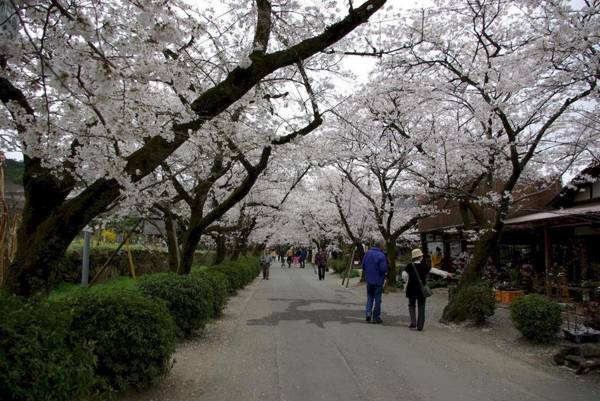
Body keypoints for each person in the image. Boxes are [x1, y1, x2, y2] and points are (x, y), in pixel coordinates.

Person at [402, 248, 452, 331]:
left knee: (411, 305)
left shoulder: (409, 266)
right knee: (421, 305)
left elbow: (404, 275)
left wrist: (407, 280)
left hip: (411, 289)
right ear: (420, 257)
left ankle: (413, 322)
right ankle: (420, 325)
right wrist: (446, 273)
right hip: (421, 289)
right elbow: (435, 270)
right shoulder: (424, 266)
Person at [362, 240, 388, 324]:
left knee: (369, 297)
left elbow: (363, 265)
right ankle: (376, 317)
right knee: (377, 299)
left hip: (369, 280)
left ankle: (368, 313)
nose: (384, 247)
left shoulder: (367, 253)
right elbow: (383, 269)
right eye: (383, 246)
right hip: (378, 281)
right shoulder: (381, 255)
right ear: (380, 246)